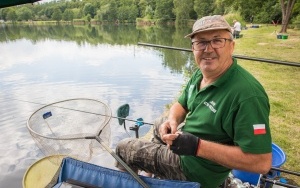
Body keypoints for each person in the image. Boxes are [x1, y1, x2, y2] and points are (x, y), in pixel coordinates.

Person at [115, 15, 272, 188]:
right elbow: (181, 104)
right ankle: (155, 177)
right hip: (190, 147)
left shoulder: (247, 95)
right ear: (193, 48)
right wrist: (173, 120)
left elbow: (261, 163)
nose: (208, 49)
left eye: (217, 41)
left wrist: (197, 147)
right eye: (201, 42)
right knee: (161, 122)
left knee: (123, 148)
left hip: (196, 171)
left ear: (231, 46)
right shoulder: (202, 73)